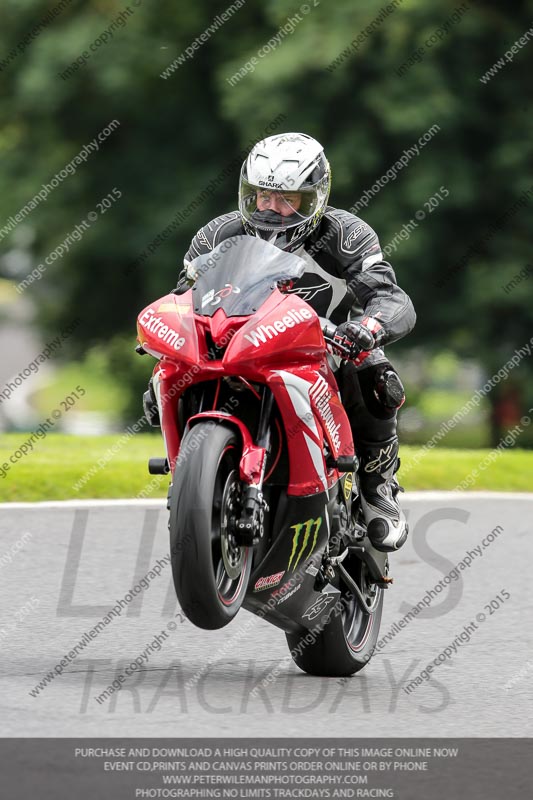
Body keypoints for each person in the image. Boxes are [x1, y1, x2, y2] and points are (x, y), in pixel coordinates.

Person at [147, 132, 416, 552]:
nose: (273, 210)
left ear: (316, 198)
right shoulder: (217, 235)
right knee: (163, 376)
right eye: (262, 196)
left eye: (289, 199)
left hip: (323, 350)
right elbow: (184, 297)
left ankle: (377, 486)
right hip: (237, 346)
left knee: (376, 374)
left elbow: (390, 297)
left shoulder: (345, 235)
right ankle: (192, 478)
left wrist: (369, 326)